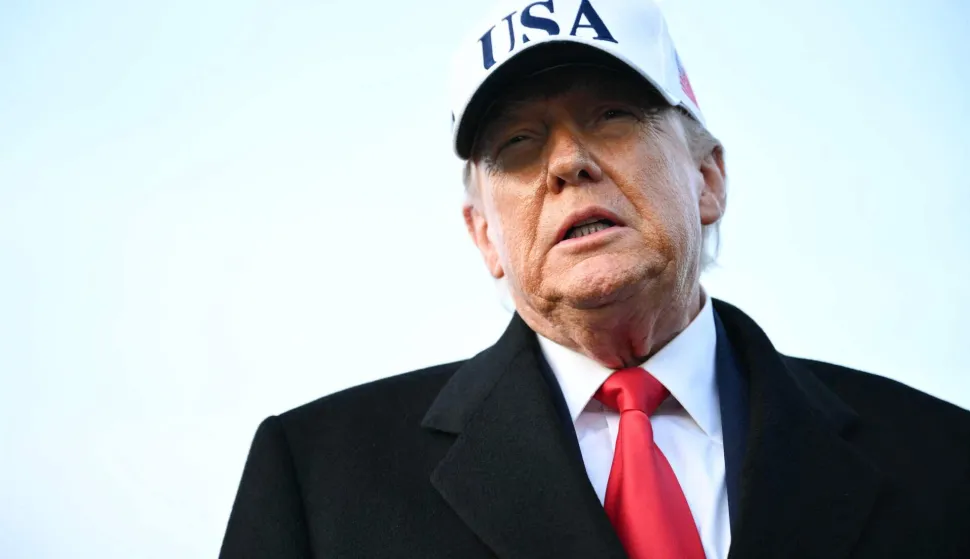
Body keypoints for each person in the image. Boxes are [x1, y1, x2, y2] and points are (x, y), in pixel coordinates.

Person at [219, 1, 970, 557]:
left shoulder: (942, 458)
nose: (568, 163)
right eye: (517, 142)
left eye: (612, 115)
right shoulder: (319, 479)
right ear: (484, 236)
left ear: (708, 178)